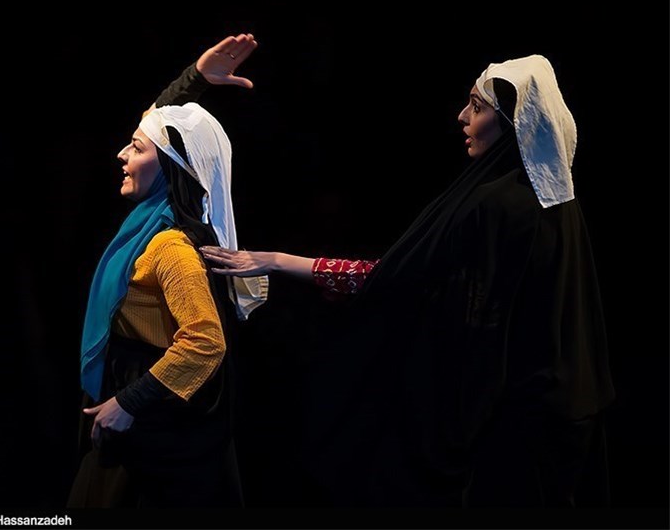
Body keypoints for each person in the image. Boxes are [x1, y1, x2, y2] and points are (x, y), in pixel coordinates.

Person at [200, 55, 615, 508]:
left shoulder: (498, 206)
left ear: (512, 121)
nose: (463, 117)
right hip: (564, 411)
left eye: (477, 108)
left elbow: (400, 282)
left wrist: (279, 262)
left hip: (505, 429)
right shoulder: (557, 201)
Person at [66, 34, 268, 508]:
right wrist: (195, 79)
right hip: (139, 402)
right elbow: (165, 131)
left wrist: (129, 402)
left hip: (155, 427)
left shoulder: (170, 247)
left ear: (170, 167)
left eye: (135, 149)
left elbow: (206, 342)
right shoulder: (148, 227)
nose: (121, 154)